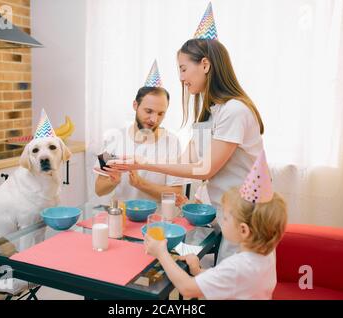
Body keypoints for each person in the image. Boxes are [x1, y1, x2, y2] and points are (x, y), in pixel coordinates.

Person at [109, 3, 264, 262]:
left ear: (204, 64)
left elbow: (204, 170)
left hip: (247, 217)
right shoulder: (211, 113)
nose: (181, 78)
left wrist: (144, 163)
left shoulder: (234, 111)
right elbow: (185, 162)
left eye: (182, 68)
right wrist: (129, 163)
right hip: (225, 213)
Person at [144, 151, 288, 299]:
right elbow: (231, 282)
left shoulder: (237, 266)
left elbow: (187, 288)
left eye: (224, 218)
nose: (221, 220)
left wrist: (161, 253)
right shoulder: (264, 258)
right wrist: (198, 271)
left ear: (243, 230)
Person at [94, 60, 186, 202]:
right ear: (135, 105)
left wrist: (140, 183)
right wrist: (112, 181)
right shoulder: (113, 138)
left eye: (161, 113)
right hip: (123, 218)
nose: (154, 119)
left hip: (157, 221)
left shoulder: (172, 142)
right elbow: (99, 189)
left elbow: (177, 195)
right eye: (148, 111)